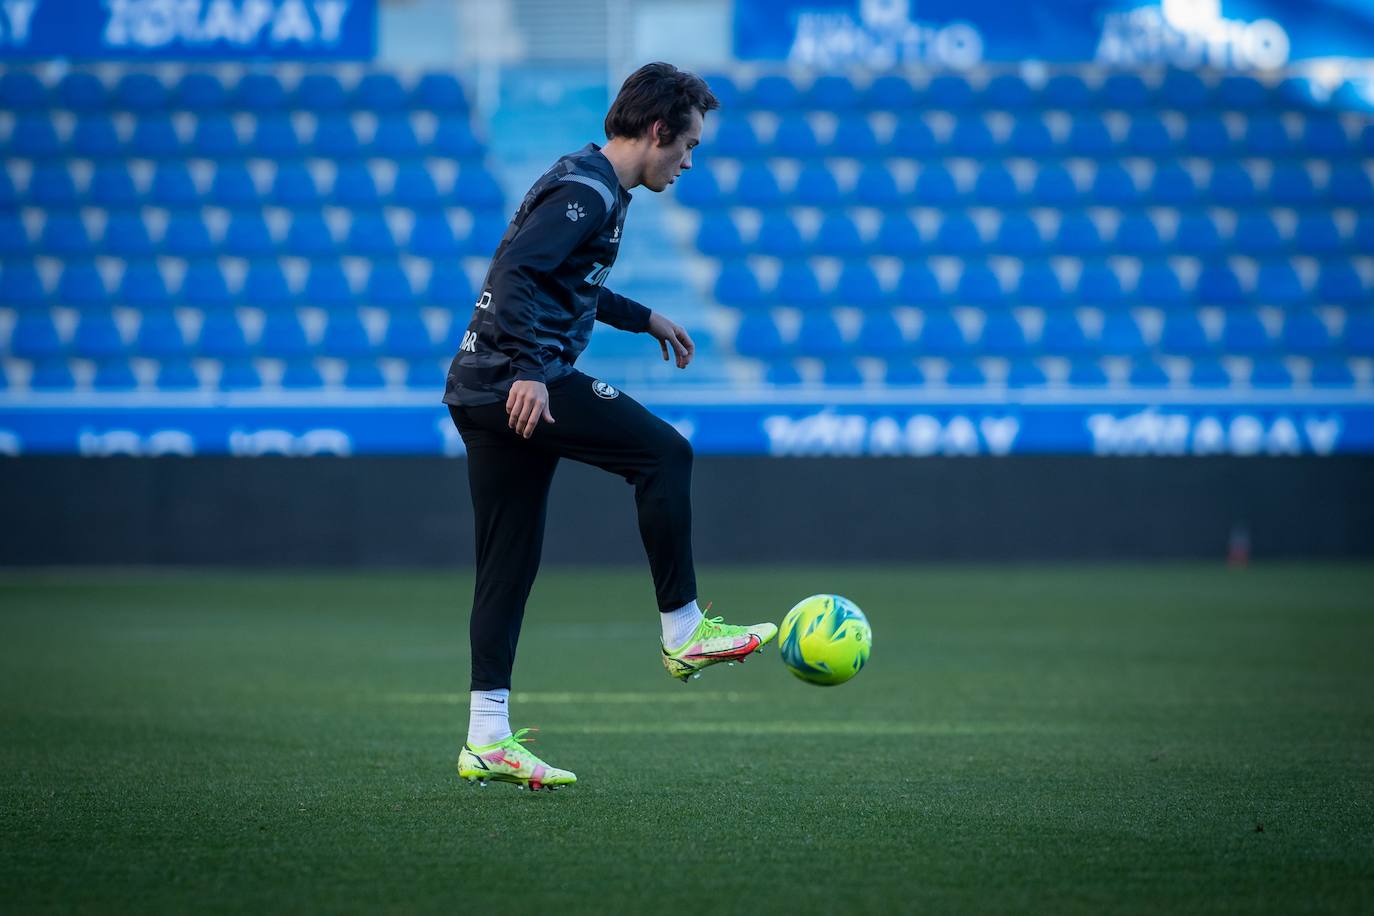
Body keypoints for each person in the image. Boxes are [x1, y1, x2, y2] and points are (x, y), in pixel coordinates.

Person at [446, 63, 777, 792]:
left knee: (508, 564)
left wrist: (643, 317)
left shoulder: (594, 183)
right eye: (687, 146)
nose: (688, 162)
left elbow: (569, 279)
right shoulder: (587, 191)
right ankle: (684, 630)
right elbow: (519, 276)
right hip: (519, 385)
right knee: (664, 453)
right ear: (657, 132)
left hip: (479, 392)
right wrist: (531, 369)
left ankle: (486, 738)